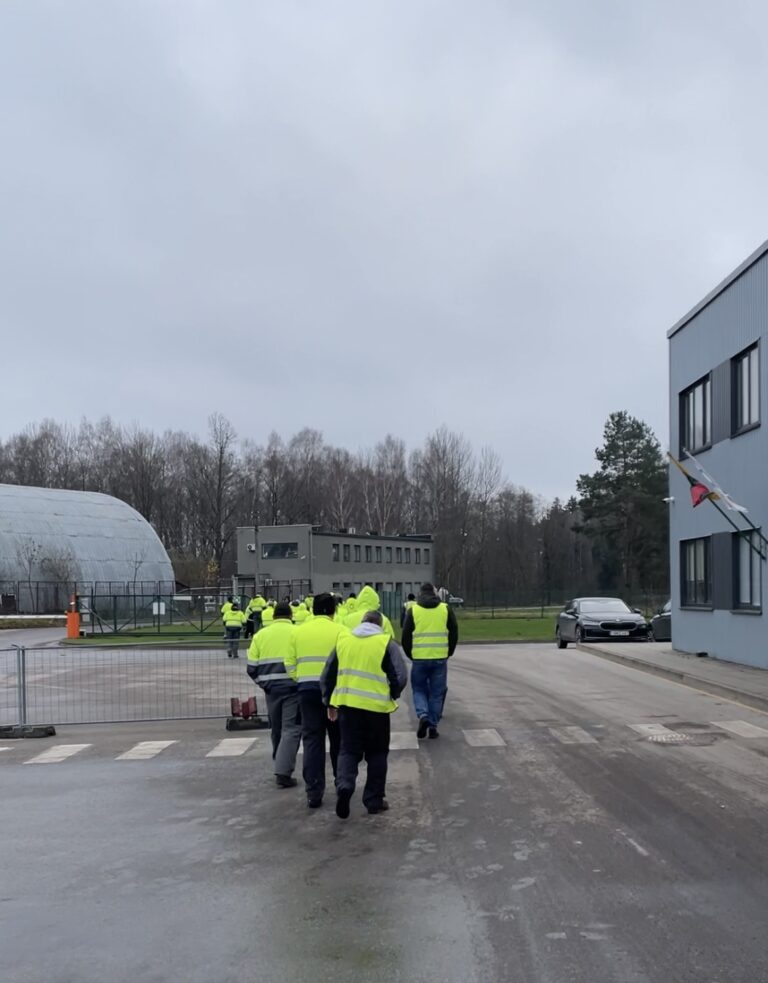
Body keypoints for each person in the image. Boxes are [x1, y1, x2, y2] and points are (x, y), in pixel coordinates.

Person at [321, 609, 408, 819]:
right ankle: (373, 800)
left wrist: (329, 702)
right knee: (377, 753)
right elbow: (400, 675)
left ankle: (345, 785)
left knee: (348, 751)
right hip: (377, 709)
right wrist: (392, 693)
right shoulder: (386, 643)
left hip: (348, 707)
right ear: (380, 625)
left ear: (361, 623)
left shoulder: (343, 641)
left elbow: (327, 675)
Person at [285, 593, 343, 808]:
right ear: (333, 610)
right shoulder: (341, 631)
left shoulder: (298, 632)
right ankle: (342, 783)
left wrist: (299, 679)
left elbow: (289, 662)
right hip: (335, 692)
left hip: (307, 689)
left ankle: (314, 791)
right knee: (339, 739)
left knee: (312, 740)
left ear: (312, 609)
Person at [247, 602, 301, 788]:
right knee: (291, 729)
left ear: (274, 616)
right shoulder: (297, 632)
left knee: (277, 729)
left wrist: (263, 683)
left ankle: (279, 763)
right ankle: (283, 771)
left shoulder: (260, 635)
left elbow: (251, 668)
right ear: (290, 615)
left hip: (271, 689)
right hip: (293, 688)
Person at [401, 582, 459, 739]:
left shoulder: (414, 610)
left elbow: (405, 635)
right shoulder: (445, 609)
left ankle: (423, 715)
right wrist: (449, 651)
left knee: (418, 689)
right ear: (435, 593)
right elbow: (454, 630)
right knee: (436, 693)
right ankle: (433, 726)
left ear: (420, 593)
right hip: (439, 657)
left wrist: (410, 654)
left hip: (419, 658)